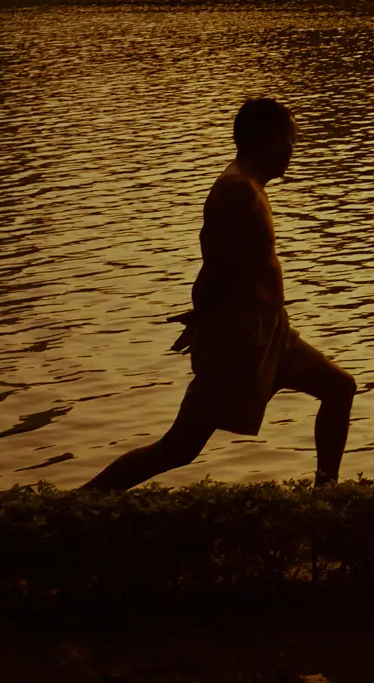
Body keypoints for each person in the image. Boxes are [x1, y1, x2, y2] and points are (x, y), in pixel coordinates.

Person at [87, 98, 356, 489]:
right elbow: (213, 266)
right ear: (273, 140)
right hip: (241, 341)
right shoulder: (238, 191)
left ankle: (325, 493)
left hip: (273, 333)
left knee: (339, 388)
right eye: (293, 142)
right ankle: (80, 504)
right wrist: (204, 321)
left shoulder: (250, 187)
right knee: (178, 448)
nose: (293, 153)